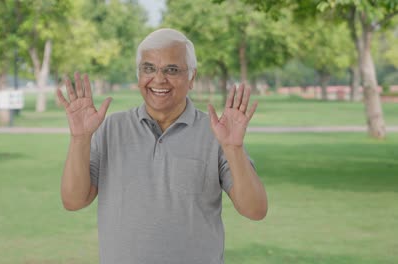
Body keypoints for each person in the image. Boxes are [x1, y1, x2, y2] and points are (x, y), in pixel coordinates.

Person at [57, 28, 267, 264]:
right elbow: (74, 201)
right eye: (149, 68)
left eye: (172, 70)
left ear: (192, 78)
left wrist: (234, 149)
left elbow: (255, 210)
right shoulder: (110, 129)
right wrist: (79, 139)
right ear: (139, 75)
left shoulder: (217, 133)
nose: (158, 79)